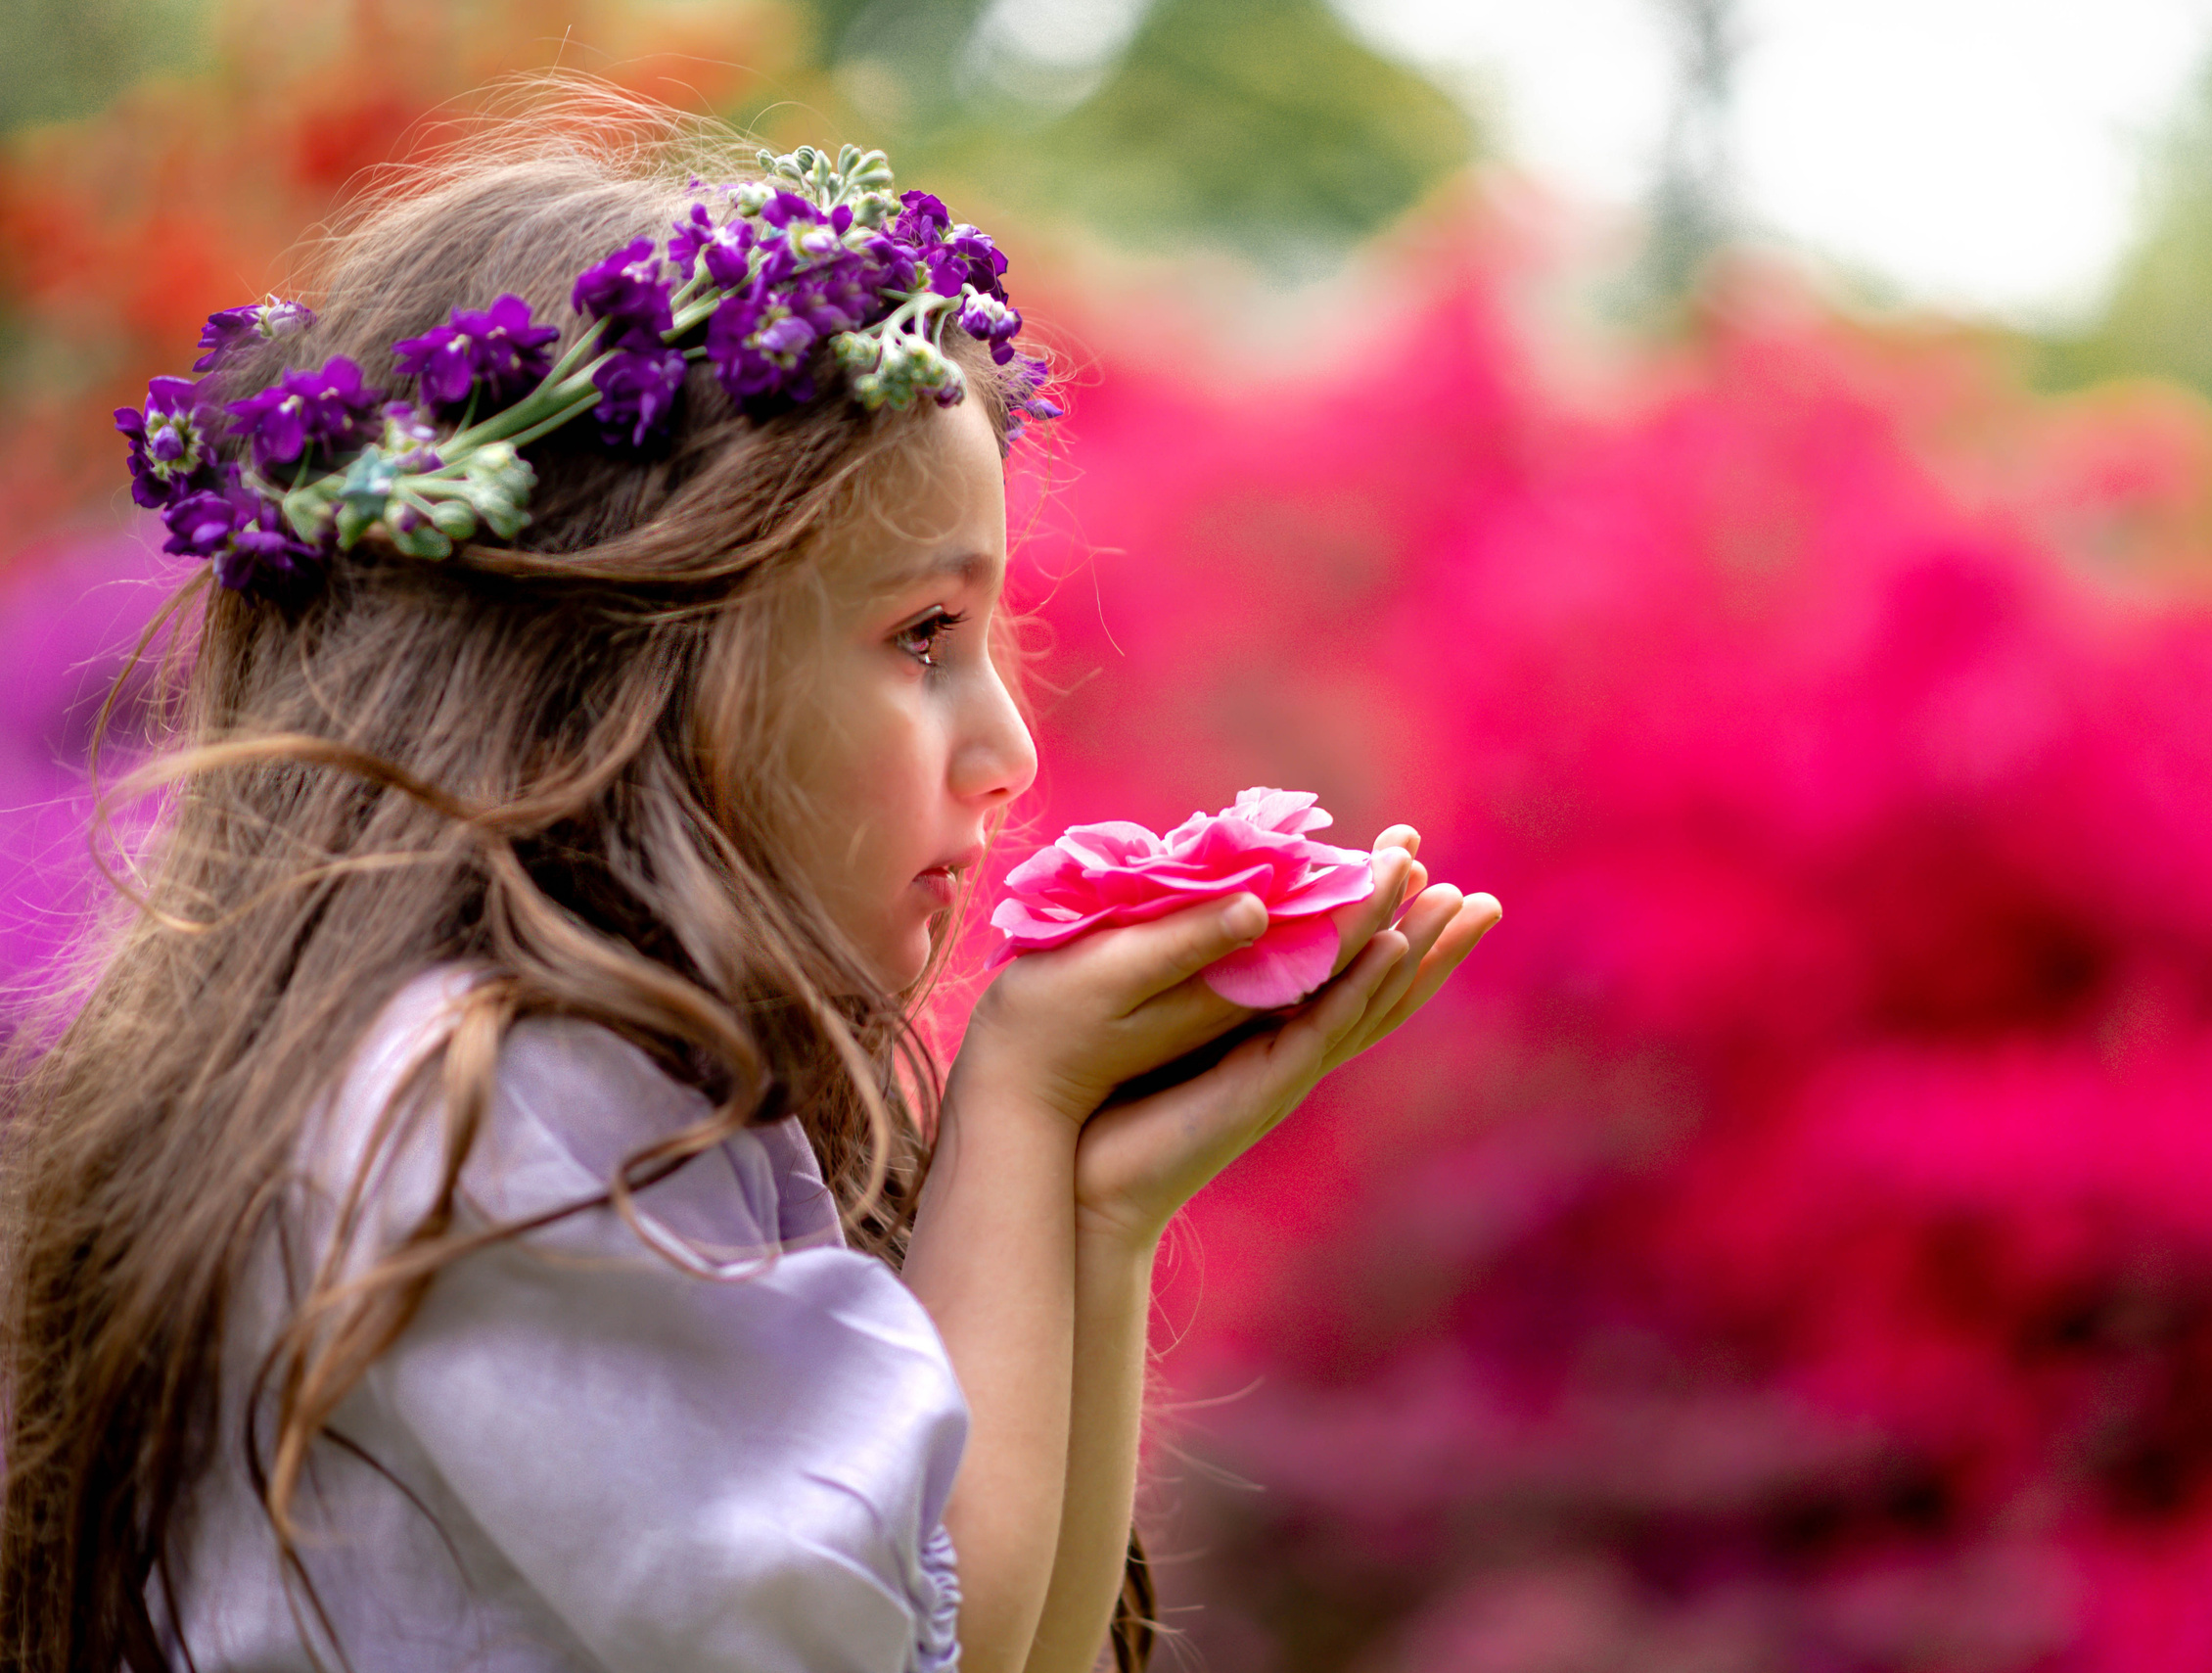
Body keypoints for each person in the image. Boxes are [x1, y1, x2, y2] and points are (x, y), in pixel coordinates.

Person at [0, 85, 1500, 1673]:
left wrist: (1099, 1208)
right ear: (629, 653)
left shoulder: (615, 1081)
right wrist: (1018, 1102)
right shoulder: (474, 1103)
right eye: (925, 636)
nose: (1007, 751)